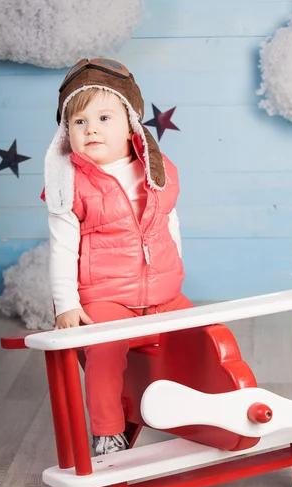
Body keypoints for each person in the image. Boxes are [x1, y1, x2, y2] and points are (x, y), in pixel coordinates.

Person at [42, 57, 193, 455]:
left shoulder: (159, 173)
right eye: (78, 122)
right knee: (104, 352)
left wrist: (175, 273)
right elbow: (62, 245)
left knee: (205, 336)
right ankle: (108, 432)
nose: (90, 128)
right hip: (107, 299)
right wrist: (66, 305)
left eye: (104, 118)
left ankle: (207, 408)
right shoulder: (71, 186)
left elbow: (168, 222)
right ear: (66, 133)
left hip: (163, 296)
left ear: (130, 126)